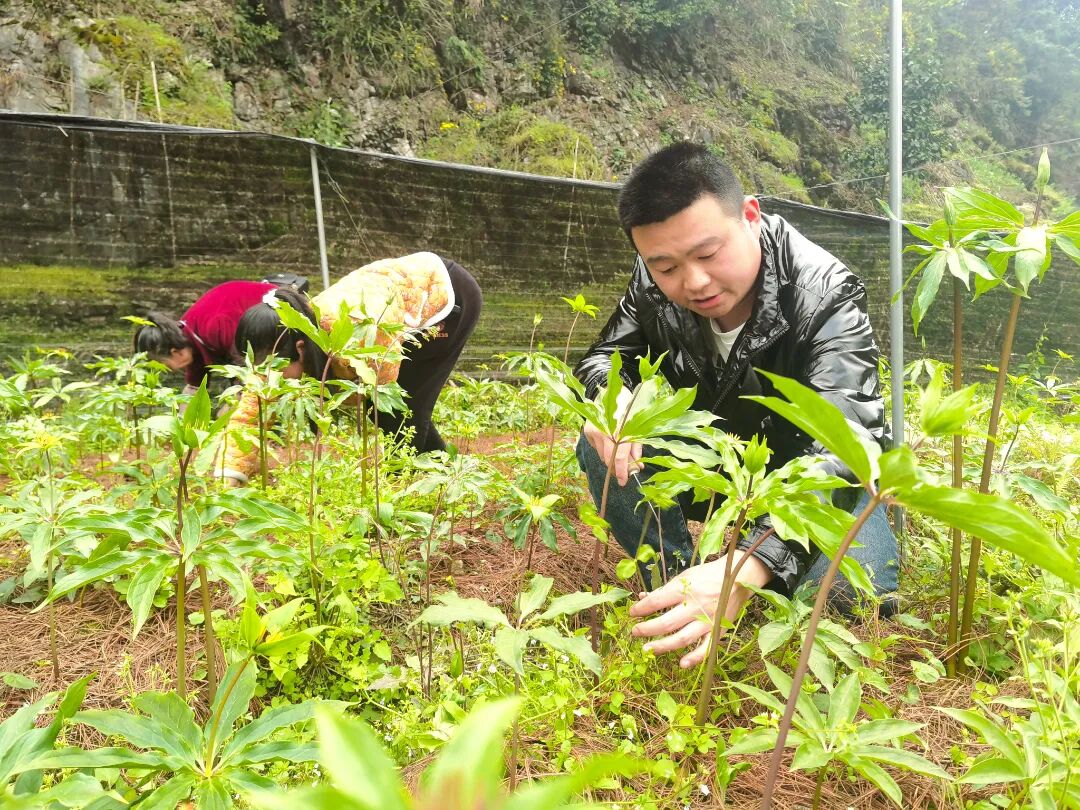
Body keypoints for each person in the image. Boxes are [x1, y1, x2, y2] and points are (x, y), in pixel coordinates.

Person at [574, 142, 898, 669]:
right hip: (717, 461)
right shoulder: (653, 281)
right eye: (665, 266)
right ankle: (677, 589)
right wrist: (611, 397)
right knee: (601, 441)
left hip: (810, 473)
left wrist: (748, 564)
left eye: (708, 255)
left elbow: (844, 441)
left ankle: (734, 580)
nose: (693, 282)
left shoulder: (825, 294)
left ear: (750, 215)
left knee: (848, 597)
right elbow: (604, 357)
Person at [215, 252, 481, 484]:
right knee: (391, 411)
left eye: (273, 369)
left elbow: (386, 394)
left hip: (446, 295)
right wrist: (231, 474)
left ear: (300, 349)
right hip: (402, 289)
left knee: (400, 408)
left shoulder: (358, 331)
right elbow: (251, 414)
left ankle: (403, 491)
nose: (268, 377)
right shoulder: (283, 344)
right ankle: (444, 472)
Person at [133, 280, 277, 394]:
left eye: (167, 366)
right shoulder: (189, 340)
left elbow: (247, 372)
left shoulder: (212, 327)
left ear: (175, 352)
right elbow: (194, 389)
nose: (172, 371)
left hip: (276, 315)